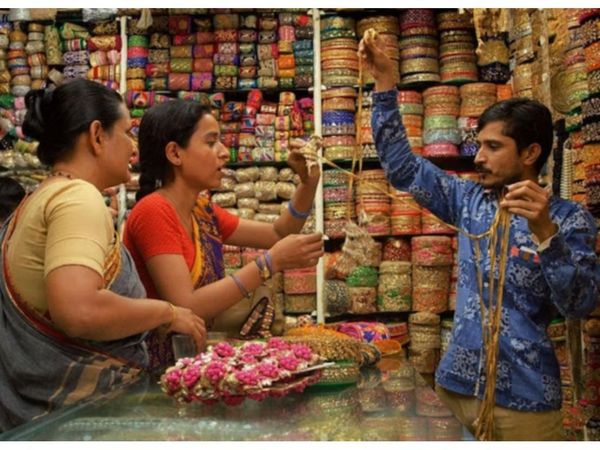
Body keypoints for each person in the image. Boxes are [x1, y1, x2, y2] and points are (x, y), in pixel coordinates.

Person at [359, 33, 599, 440]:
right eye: (479, 145)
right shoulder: (469, 201)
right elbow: (403, 168)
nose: (479, 157)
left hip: (525, 402)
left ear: (530, 153)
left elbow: (580, 304)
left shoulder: (568, 219)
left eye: (492, 146)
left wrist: (545, 233)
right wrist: (384, 84)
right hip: (455, 391)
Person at [0, 79, 206, 432]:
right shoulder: (77, 198)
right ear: (97, 136)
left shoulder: (38, 198)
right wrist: (166, 313)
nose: (134, 150)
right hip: (74, 425)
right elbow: (79, 310)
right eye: (126, 133)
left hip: (38, 422)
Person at [123, 99, 324, 372]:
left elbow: (279, 232)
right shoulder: (154, 212)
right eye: (210, 142)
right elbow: (186, 305)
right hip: (157, 371)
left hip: (191, 364)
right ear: (175, 154)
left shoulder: (201, 210)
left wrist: (308, 183)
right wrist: (269, 264)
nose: (224, 153)